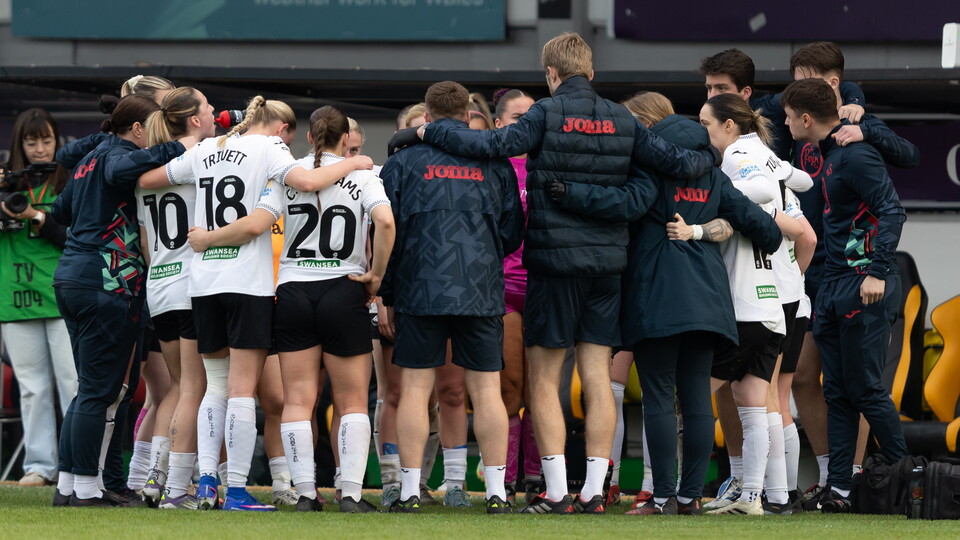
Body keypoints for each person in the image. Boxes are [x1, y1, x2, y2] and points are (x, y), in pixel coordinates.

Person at [403, 32, 718, 514]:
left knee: (545, 379)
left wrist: (429, 132)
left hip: (553, 262)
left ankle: (554, 489)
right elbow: (676, 161)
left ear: (550, 74)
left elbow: (495, 143)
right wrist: (709, 157)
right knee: (596, 374)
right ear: (591, 73)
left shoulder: (545, 113)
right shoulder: (620, 118)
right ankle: (593, 489)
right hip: (608, 266)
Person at [550, 91, 782, 515]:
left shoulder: (651, 170)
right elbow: (764, 230)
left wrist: (568, 193)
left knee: (658, 397)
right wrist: (718, 226)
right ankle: (691, 497)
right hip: (709, 302)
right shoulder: (714, 177)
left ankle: (660, 498)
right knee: (696, 400)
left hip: (656, 297)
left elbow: (620, 205)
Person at [140, 95, 373, 512]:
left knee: (214, 387)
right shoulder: (270, 150)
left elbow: (148, 180)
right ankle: (237, 491)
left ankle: (204, 484)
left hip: (202, 281)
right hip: (247, 282)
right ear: (280, 128)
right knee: (242, 391)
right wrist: (354, 163)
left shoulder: (207, 149)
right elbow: (304, 182)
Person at [785, 43, 921, 506]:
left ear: (806, 118)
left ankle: (910, 479)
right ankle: (840, 487)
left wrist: (878, 272)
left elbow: (892, 211)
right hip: (831, 284)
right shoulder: (826, 154)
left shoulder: (856, 150)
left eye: (789, 118)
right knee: (838, 389)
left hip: (865, 282)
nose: (784, 125)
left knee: (865, 387)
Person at [380, 80, 523, 514]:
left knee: (415, 389)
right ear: (466, 115)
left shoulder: (402, 164)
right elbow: (512, 233)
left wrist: (386, 288)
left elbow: (385, 232)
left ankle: (408, 491)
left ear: (426, 117)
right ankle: (497, 492)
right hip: (479, 289)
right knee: (486, 391)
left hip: (419, 288)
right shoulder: (494, 164)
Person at [50, 95, 194, 507]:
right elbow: (122, 167)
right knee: (99, 391)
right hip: (106, 284)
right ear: (136, 129)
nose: (156, 137)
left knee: (87, 392)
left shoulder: (89, 159)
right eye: (152, 129)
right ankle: (86, 490)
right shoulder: (117, 155)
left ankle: (67, 487)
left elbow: (60, 210)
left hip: (72, 279)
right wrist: (178, 147)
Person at [696, 94, 804, 516]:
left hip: (741, 311)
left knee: (690, 398)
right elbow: (805, 198)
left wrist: (710, 197)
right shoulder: (780, 191)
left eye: (706, 122)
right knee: (753, 401)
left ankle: (674, 491)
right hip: (774, 308)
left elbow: (727, 220)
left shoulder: (736, 172)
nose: (701, 129)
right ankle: (755, 496)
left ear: (729, 128)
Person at [135, 86, 217, 509]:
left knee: (178, 389)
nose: (216, 112)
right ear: (193, 120)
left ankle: (155, 477)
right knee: (194, 391)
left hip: (161, 286)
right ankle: (178, 489)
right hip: (191, 286)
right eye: (208, 107)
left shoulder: (149, 165)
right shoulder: (198, 157)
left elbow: (148, 242)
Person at [0, 108, 77, 488]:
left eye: (47, 140)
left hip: (61, 293)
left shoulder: (67, 181)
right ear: (20, 144)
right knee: (31, 387)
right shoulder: (7, 182)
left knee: (72, 382)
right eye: (32, 142)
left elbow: (70, 236)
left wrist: (33, 215)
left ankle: (77, 463)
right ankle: (39, 465)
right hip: (16, 295)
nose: (40, 149)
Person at [490, 88, 541, 503]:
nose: (526, 124)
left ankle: (537, 478)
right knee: (510, 387)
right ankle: (505, 479)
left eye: (532, 117)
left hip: (544, 286)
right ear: (499, 124)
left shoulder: (548, 161)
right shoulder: (492, 166)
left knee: (541, 390)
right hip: (503, 289)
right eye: (518, 117)